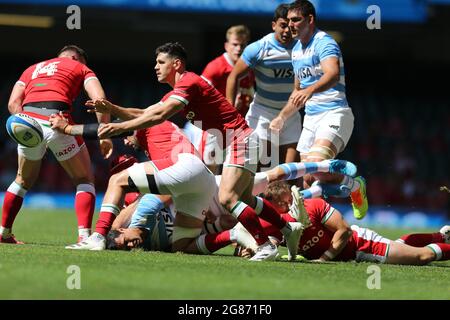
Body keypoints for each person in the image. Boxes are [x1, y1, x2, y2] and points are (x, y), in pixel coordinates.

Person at [83, 42, 304, 261]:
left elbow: (159, 117)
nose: (156, 67)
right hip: (241, 140)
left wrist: (119, 127)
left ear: (176, 64)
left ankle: (265, 245)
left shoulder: (189, 82)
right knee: (245, 198)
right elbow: (146, 112)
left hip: (240, 140)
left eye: (161, 62)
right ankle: (287, 228)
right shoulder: (180, 89)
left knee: (228, 198)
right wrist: (112, 109)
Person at [50, 113, 218, 253]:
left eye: (125, 135)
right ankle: (236, 235)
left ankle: (98, 236)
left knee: (117, 181)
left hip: (189, 170)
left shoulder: (144, 124)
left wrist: (67, 128)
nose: (125, 141)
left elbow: (103, 129)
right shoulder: (162, 135)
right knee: (182, 247)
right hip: (202, 180)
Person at [0, 45, 113, 245]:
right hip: (58, 120)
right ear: (75, 57)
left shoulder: (31, 69)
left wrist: (27, 129)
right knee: (84, 179)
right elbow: (100, 100)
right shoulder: (81, 68)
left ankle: (4, 232)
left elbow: (12, 104)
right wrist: (105, 134)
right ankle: (84, 238)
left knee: (22, 181)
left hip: (27, 121)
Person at [269, 0, 368, 220]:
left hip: (334, 113)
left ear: (310, 20)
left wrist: (311, 89)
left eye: (296, 20)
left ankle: (355, 186)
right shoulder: (296, 51)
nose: (291, 25)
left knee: (316, 168)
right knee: (308, 179)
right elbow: (298, 93)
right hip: (311, 119)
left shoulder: (324, 42)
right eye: (288, 21)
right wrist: (281, 117)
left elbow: (331, 74)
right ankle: (314, 230)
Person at [241, 181, 450, 266]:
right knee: (401, 245)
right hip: (350, 254)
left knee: (424, 256)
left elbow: (345, 230)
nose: (289, 203)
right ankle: (440, 236)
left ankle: (440, 242)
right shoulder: (275, 223)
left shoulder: (313, 205)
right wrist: (253, 248)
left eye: (289, 199)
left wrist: (323, 259)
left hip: (361, 245)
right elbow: (269, 242)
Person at [226, 4, 300, 170]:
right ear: (274, 25)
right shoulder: (258, 48)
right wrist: (230, 109)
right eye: (283, 25)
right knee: (265, 169)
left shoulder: (302, 48)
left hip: (291, 115)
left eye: (291, 26)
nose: (287, 30)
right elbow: (233, 76)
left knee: (291, 172)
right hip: (263, 114)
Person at [202, 25, 255, 118]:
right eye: (235, 44)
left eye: (242, 45)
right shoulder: (215, 67)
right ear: (226, 46)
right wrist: (226, 106)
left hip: (243, 121)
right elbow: (199, 97)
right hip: (217, 122)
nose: (238, 49)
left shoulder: (250, 66)